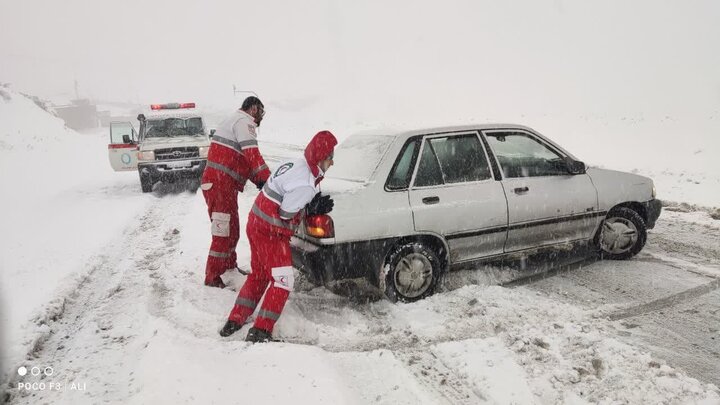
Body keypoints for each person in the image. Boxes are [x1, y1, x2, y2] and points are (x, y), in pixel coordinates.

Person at [219, 130, 338, 342]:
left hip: (255, 223)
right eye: (330, 158)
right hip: (270, 233)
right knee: (283, 281)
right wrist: (309, 208)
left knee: (260, 275)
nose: (332, 162)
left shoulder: (296, 163)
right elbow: (285, 214)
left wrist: (306, 202)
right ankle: (261, 331)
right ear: (320, 157)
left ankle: (235, 320)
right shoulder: (306, 184)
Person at [201, 97, 271, 288]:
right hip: (219, 185)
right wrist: (268, 179)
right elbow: (252, 155)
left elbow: (243, 162)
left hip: (223, 185)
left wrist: (260, 180)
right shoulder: (244, 122)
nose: (260, 118)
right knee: (223, 231)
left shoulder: (234, 121)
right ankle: (212, 276)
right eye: (261, 112)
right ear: (254, 108)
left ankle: (229, 266)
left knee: (232, 229)